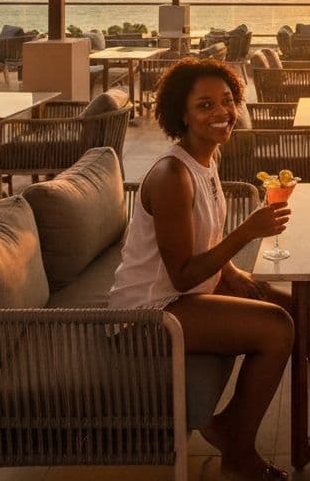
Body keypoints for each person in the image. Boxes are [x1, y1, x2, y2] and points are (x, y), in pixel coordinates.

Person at [109, 57, 293, 481]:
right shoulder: (172, 175)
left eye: (227, 101)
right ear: (183, 114)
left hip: (186, 296)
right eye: (205, 105)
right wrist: (247, 232)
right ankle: (237, 452)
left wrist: (232, 273)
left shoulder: (207, 158)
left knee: (295, 307)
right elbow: (182, 274)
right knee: (276, 328)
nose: (221, 112)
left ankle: (231, 424)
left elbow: (203, 238)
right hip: (147, 314)